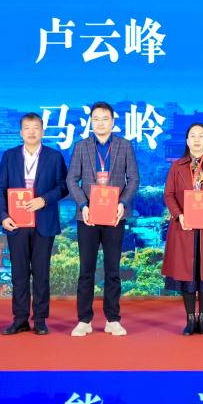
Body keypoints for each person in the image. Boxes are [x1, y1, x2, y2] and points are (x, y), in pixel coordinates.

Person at [66, 101, 140, 336]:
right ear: (91, 122)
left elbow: (133, 179)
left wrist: (122, 203)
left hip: (114, 215)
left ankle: (113, 319)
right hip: (87, 216)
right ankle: (84, 320)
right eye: (96, 119)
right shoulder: (81, 147)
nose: (100, 123)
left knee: (113, 269)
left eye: (105, 118)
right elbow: (71, 180)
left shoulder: (124, 146)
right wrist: (83, 205)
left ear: (113, 121)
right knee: (86, 269)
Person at [0, 113, 69, 336]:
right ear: (21, 132)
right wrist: (3, 216)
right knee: (18, 273)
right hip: (16, 222)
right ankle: (19, 319)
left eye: (35, 128)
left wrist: (44, 200)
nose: (31, 132)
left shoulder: (54, 157)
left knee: (41, 273)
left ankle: (40, 319)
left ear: (42, 132)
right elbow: (0, 188)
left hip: (43, 222)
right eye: (27, 128)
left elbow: (64, 187)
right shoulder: (9, 156)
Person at [162, 123, 203, 336]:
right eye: (193, 135)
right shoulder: (177, 166)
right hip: (184, 227)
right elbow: (169, 194)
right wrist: (179, 215)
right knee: (188, 273)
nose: (197, 139)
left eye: (201, 135)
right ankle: (190, 319)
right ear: (187, 141)